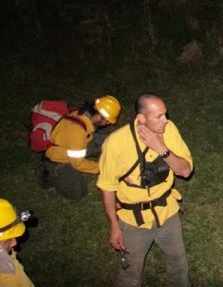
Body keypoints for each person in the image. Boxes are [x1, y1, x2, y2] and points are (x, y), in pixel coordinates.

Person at [97, 93, 193, 287]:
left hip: (167, 212)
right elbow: (107, 188)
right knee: (129, 275)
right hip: (133, 220)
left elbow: (185, 171)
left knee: (179, 263)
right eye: (159, 116)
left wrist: (162, 148)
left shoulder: (169, 130)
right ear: (141, 118)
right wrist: (114, 226)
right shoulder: (116, 143)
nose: (166, 120)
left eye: (165, 114)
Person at [38, 95, 122, 200]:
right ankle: (48, 174)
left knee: (107, 143)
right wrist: (103, 168)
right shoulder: (77, 131)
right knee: (79, 193)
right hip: (60, 160)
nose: (108, 123)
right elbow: (78, 164)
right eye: (108, 121)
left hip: (75, 144)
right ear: (99, 115)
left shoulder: (81, 115)